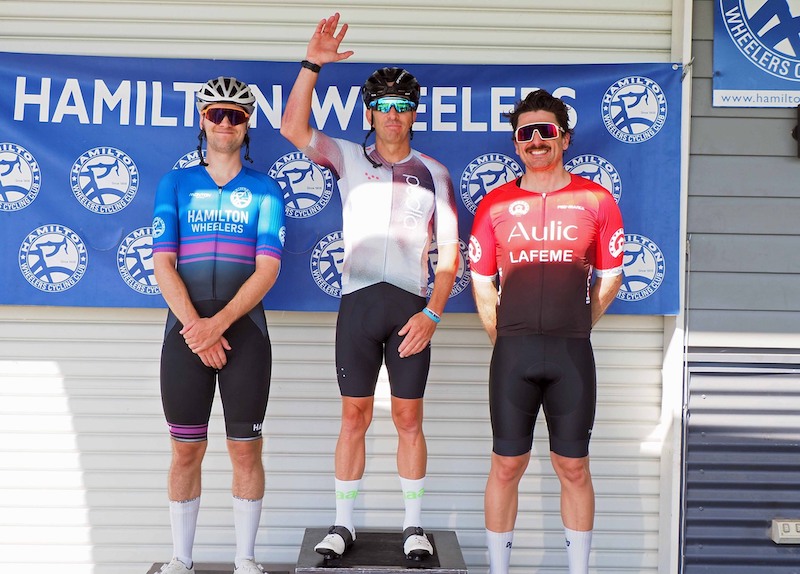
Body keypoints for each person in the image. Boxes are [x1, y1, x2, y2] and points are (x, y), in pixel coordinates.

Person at [280, 13, 459, 561]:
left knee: (408, 418)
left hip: (410, 309)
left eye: (402, 105)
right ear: (370, 113)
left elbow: (450, 255)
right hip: (358, 304)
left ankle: (413, 526)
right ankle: (343, 524)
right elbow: (292, 129)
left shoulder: (435, 172)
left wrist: (432, 314)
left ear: (414, 113)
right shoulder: (347, 156)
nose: (393, 115)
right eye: (383, 105)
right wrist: (312, 64)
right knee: (353, 415)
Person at [468, 89, 625, 574]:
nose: (536, 140)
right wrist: (504, 339)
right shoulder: (494, 204)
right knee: (505, 465)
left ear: (565, 138)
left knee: (573, 467)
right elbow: (481, 282)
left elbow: (611, 276)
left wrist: (577, 325)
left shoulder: (597, 200)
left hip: (570, 354)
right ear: (516, 143)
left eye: (546, 131)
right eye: (526, 133)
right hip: (512, 354)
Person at [152, 76, 286, 574]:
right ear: (202, 120)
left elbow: (268, 269)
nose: (225, 122)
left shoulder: (265, 189)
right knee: (185, 452)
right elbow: (163, 263)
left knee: (245, 451)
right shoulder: (175, 184)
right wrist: (196, 328)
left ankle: (245, 560)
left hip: (244, 334)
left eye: (236, 115)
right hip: (184, 335)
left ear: (247, 124)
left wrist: (218, 325)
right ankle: (181, 559)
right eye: (216, 113)